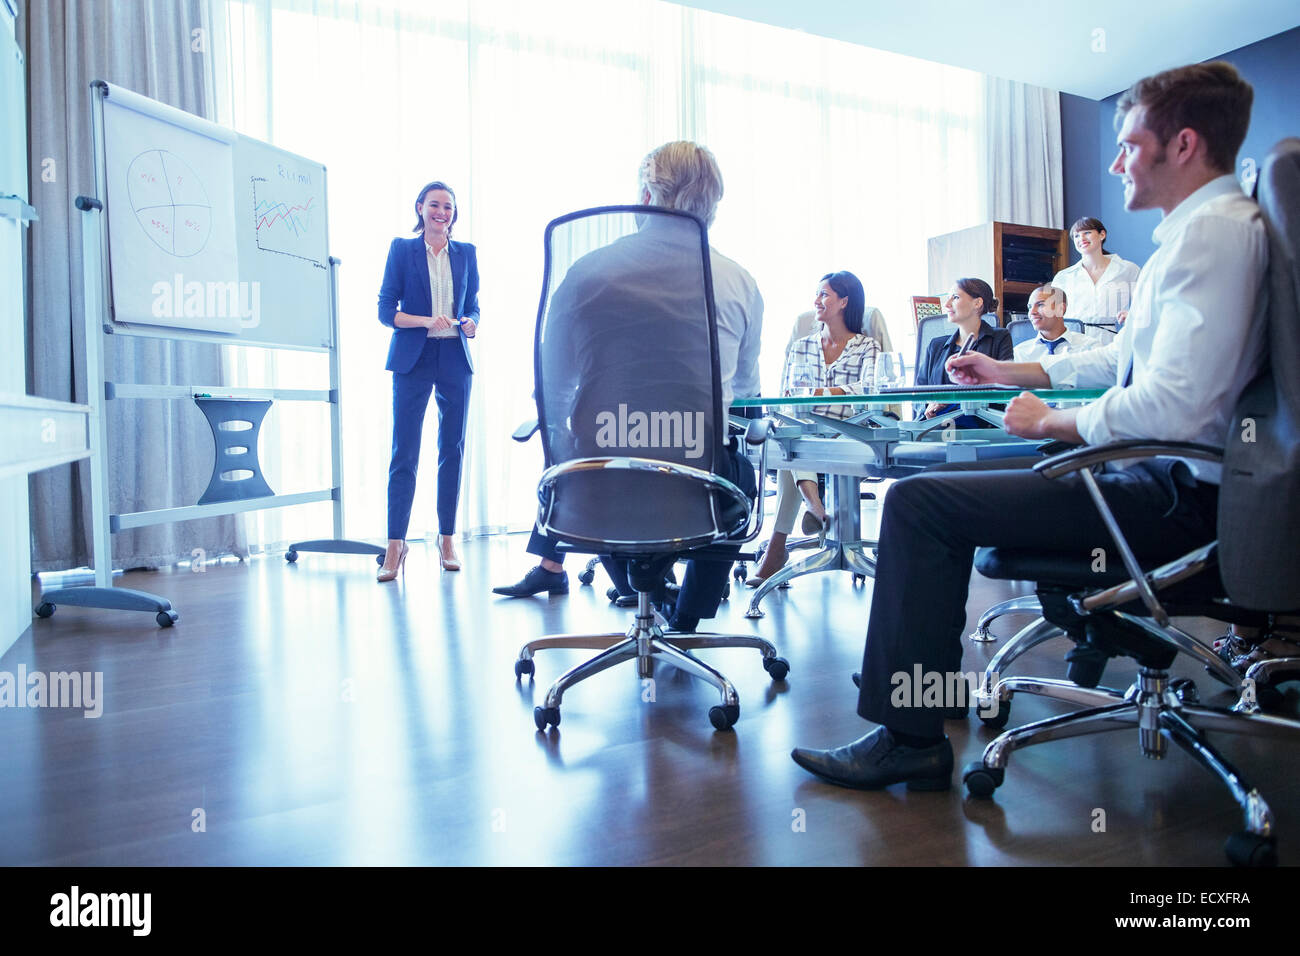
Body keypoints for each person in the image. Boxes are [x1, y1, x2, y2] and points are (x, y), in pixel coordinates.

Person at [791, 61, 1265, 791]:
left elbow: (1177, 407)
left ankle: (910, 732)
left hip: (1171, 495)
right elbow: (1116, 360)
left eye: (1130, 145)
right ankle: (923, 685)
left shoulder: (1214, 239)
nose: (1115, 163)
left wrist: (1057, 424)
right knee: (944, 483)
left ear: (1184, 145)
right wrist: (1011, 374)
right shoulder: (1198, 233)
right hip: (1153, 477)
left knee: (921, 504)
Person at [495, 141, 764, 633]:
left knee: (591, 461)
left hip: (600, 484)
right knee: (739, 475)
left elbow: (551, 388)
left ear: (644, 195)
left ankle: (639, 587)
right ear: (713, 204)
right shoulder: (740, 283)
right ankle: (687, 619)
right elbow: (746, 397)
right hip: (697, 485)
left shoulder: (586, 273)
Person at [746, 272, 878, 586]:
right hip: (804, 427)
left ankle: (781, 546)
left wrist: (825, 393)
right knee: (795, 436)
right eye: (817, 294)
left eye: (824, 295)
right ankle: (814, 505)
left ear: (844, 301)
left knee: (794, 448)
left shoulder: (866, 346)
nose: (816, 301)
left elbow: (869, 389)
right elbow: (788, 393)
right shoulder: (801, 346)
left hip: (848, 430)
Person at [376, 180, 479, 581]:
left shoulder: (467, 254)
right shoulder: (402, 250)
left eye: (448, 207)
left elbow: (472, 305)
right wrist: (423, 321)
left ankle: (446, 538)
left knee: (451, 449)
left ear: (454, 213)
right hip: (413, 358)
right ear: (420, 207)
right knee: (405, 452)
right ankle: (395, 546)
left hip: (454, 355)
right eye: (434, 205)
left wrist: (471, 322)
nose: (441, 212)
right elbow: (387, 310)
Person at [915, 278, 1012, 428]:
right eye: (948, 298)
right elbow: (917, 394)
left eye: (955, 297)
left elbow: (1004, 390)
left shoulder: (1000, 338)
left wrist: (953, 400)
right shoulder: (936, 345)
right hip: (935, 428)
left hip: (982, 430)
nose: (947, 305)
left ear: (977, 303)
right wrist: (928, 406)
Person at [1051, 216, 1141, 338]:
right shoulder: (1063, 277)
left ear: (1102, 235)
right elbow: (1052, 317)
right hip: (1074, 341)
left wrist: (1132, 314)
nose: (1081, 238)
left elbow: (1145, 304)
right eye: (1076, 236)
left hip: (1112, 340)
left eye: (1087, 233)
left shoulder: (1128, 269)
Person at [1011, 284, 1099, 363]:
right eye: (1030, 307)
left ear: (1061, 308)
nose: (1032, 312)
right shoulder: (1020, 354)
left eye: (1040, 305)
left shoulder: (1090, 348)